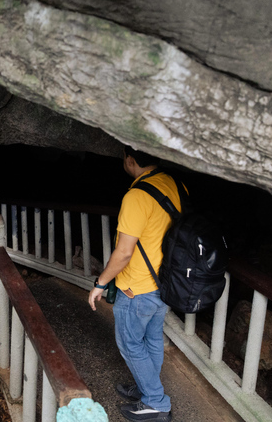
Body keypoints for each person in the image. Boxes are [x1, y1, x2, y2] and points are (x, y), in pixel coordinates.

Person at [88, 146, 181, 422]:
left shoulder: (137, 195)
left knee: (130, 343)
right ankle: (146, 388)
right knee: (151, 339)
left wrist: (101, 283)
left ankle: (156, 402)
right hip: (163, 282)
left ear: (130, 160)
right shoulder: (172, 183)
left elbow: (125, 252)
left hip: (137, 287)